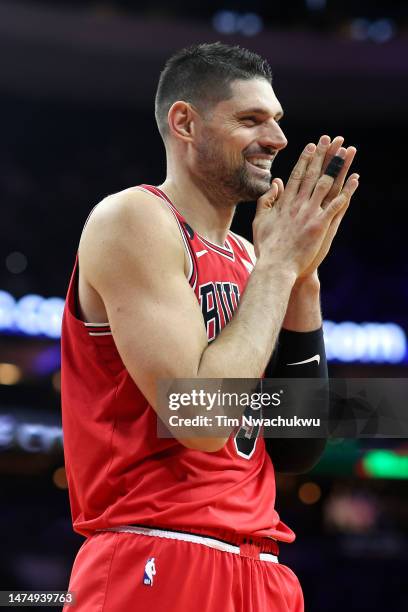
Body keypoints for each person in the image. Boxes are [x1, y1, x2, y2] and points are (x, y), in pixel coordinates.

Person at [61, 42, 359, 611]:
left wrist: (302, 281)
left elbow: (297, 446)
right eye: (250, 119)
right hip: (158, 554)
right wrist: (277, 268)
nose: (275, 139)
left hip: (262, 565)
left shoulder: (255, 259)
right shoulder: (136, 218)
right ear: (185, 123)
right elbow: (198, 419)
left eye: (276, 121)